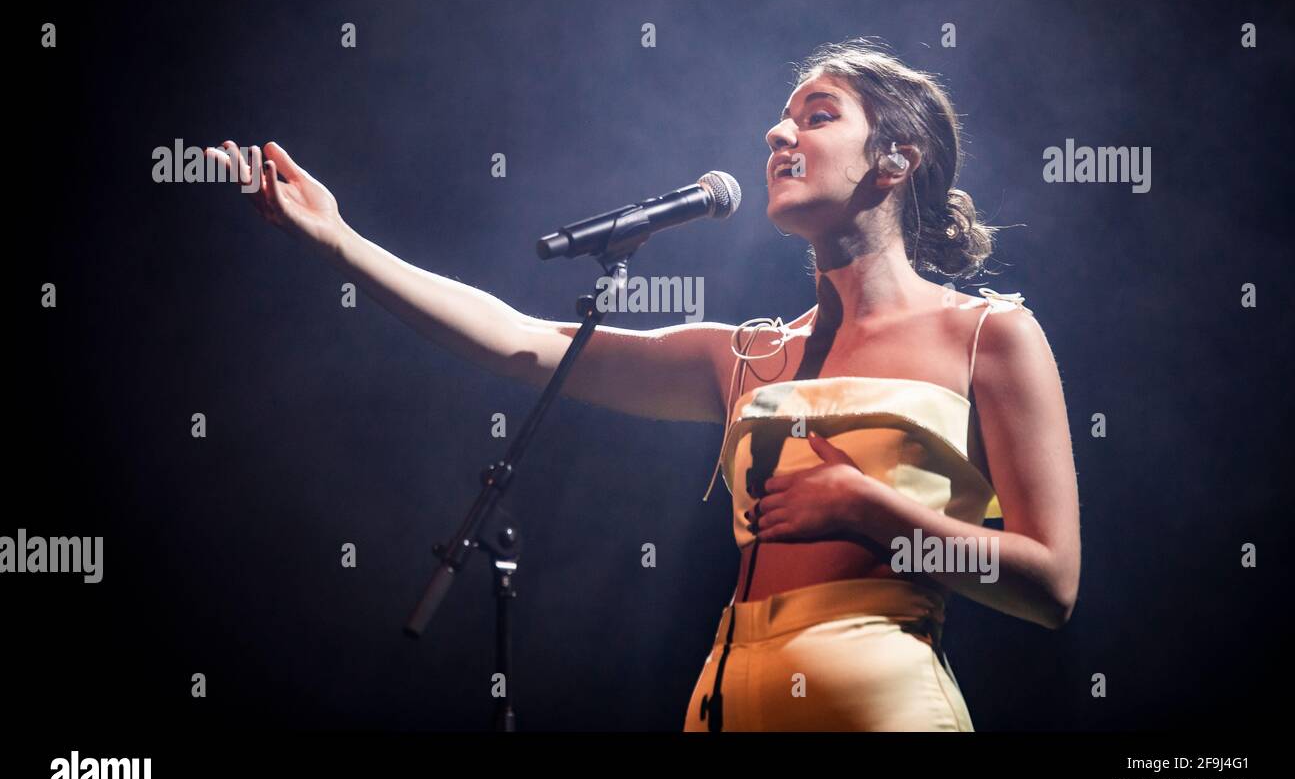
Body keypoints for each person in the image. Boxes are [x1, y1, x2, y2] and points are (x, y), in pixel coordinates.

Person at [206, 36, 1080, 732]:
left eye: (818, 116)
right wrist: (342, 245)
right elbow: (524, 344)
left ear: (895, 160)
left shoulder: (990, 336)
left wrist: (872, 511)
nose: (780, 135)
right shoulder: (745, 355)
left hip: (880, 704)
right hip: (725, 700)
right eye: (780, 119)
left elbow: (1051, 586)